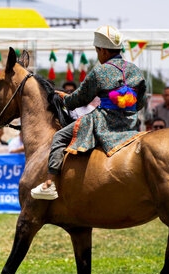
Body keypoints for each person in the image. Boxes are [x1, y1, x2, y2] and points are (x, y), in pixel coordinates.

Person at [32, 26, 146, 199]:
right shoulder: (135, 70)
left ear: (103, 51)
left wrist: (64, 98)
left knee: (60, 137)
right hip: (130, 123)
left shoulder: (100, 71)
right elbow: (140, 103)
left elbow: (79, 100)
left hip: (105, 122)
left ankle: (49, 184)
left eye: (97, 51)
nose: (98, 55)